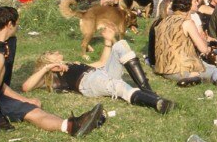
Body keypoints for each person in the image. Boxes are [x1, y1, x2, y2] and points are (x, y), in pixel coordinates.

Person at [0, 6, 105, 136]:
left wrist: (25, 103)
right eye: (16, 24)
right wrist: (22, 98)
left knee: (33, 111)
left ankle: (72, 125)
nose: (17, 27)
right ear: (10, 24)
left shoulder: (10, 42)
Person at [22, 27, 173, 114]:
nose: (56, 52)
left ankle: (149, 92)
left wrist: (108, 41)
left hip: (101, 73)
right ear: (47, 60)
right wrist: (47, 68)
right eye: (52, 53)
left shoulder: (71, 63)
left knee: (120, 44)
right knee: (118, 86)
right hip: (87, 82)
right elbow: (26, 87)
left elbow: (101, 62)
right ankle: (156, 102)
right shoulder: (52, 75)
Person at [154, 0, 217, 87]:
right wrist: (204, 38)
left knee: (206, 65)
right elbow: (203, 49)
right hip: (180, 70)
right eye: (195, 2)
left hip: (163, 69)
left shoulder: (163, 21)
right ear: (187, 5)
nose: (197, 3)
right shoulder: (187, 22)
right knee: (215, 71)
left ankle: (193, 77)